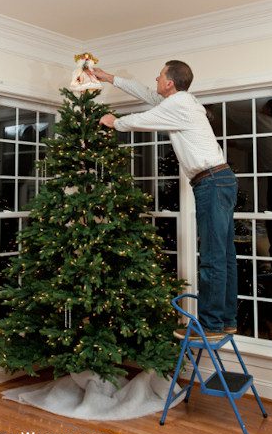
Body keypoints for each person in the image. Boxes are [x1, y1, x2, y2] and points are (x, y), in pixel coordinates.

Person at [94, 61, 238, 341]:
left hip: (211, 182)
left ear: (170, 82)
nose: (156, 79)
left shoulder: (180, 103)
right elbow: (147, 94)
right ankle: (225, 320)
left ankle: (210, 324)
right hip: (218, 180)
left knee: (212, 257)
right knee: (224, 256)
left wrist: (116, 123)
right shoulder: (180, 101)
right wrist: (109, 78)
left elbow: (142, 119)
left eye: (160, 76)